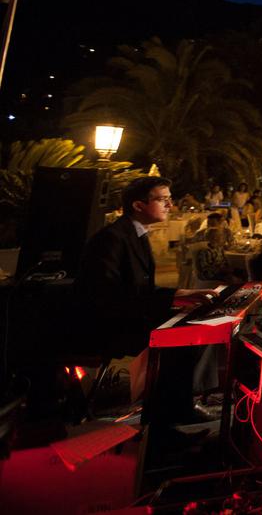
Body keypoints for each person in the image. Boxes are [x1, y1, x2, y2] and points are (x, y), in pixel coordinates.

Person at [75, 176, 219, 432]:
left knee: (196, 322)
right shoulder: (113, 239)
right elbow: (107, 296)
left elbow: (141, 289)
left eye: (169, 199)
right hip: (109, 325)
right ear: (138, 205)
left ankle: (180, 406)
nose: (169, 205)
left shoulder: (136, 233)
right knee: (181, 337)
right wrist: (170, 300)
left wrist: (182, 293)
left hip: (130, 315)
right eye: (162, 199)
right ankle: (167, 423)